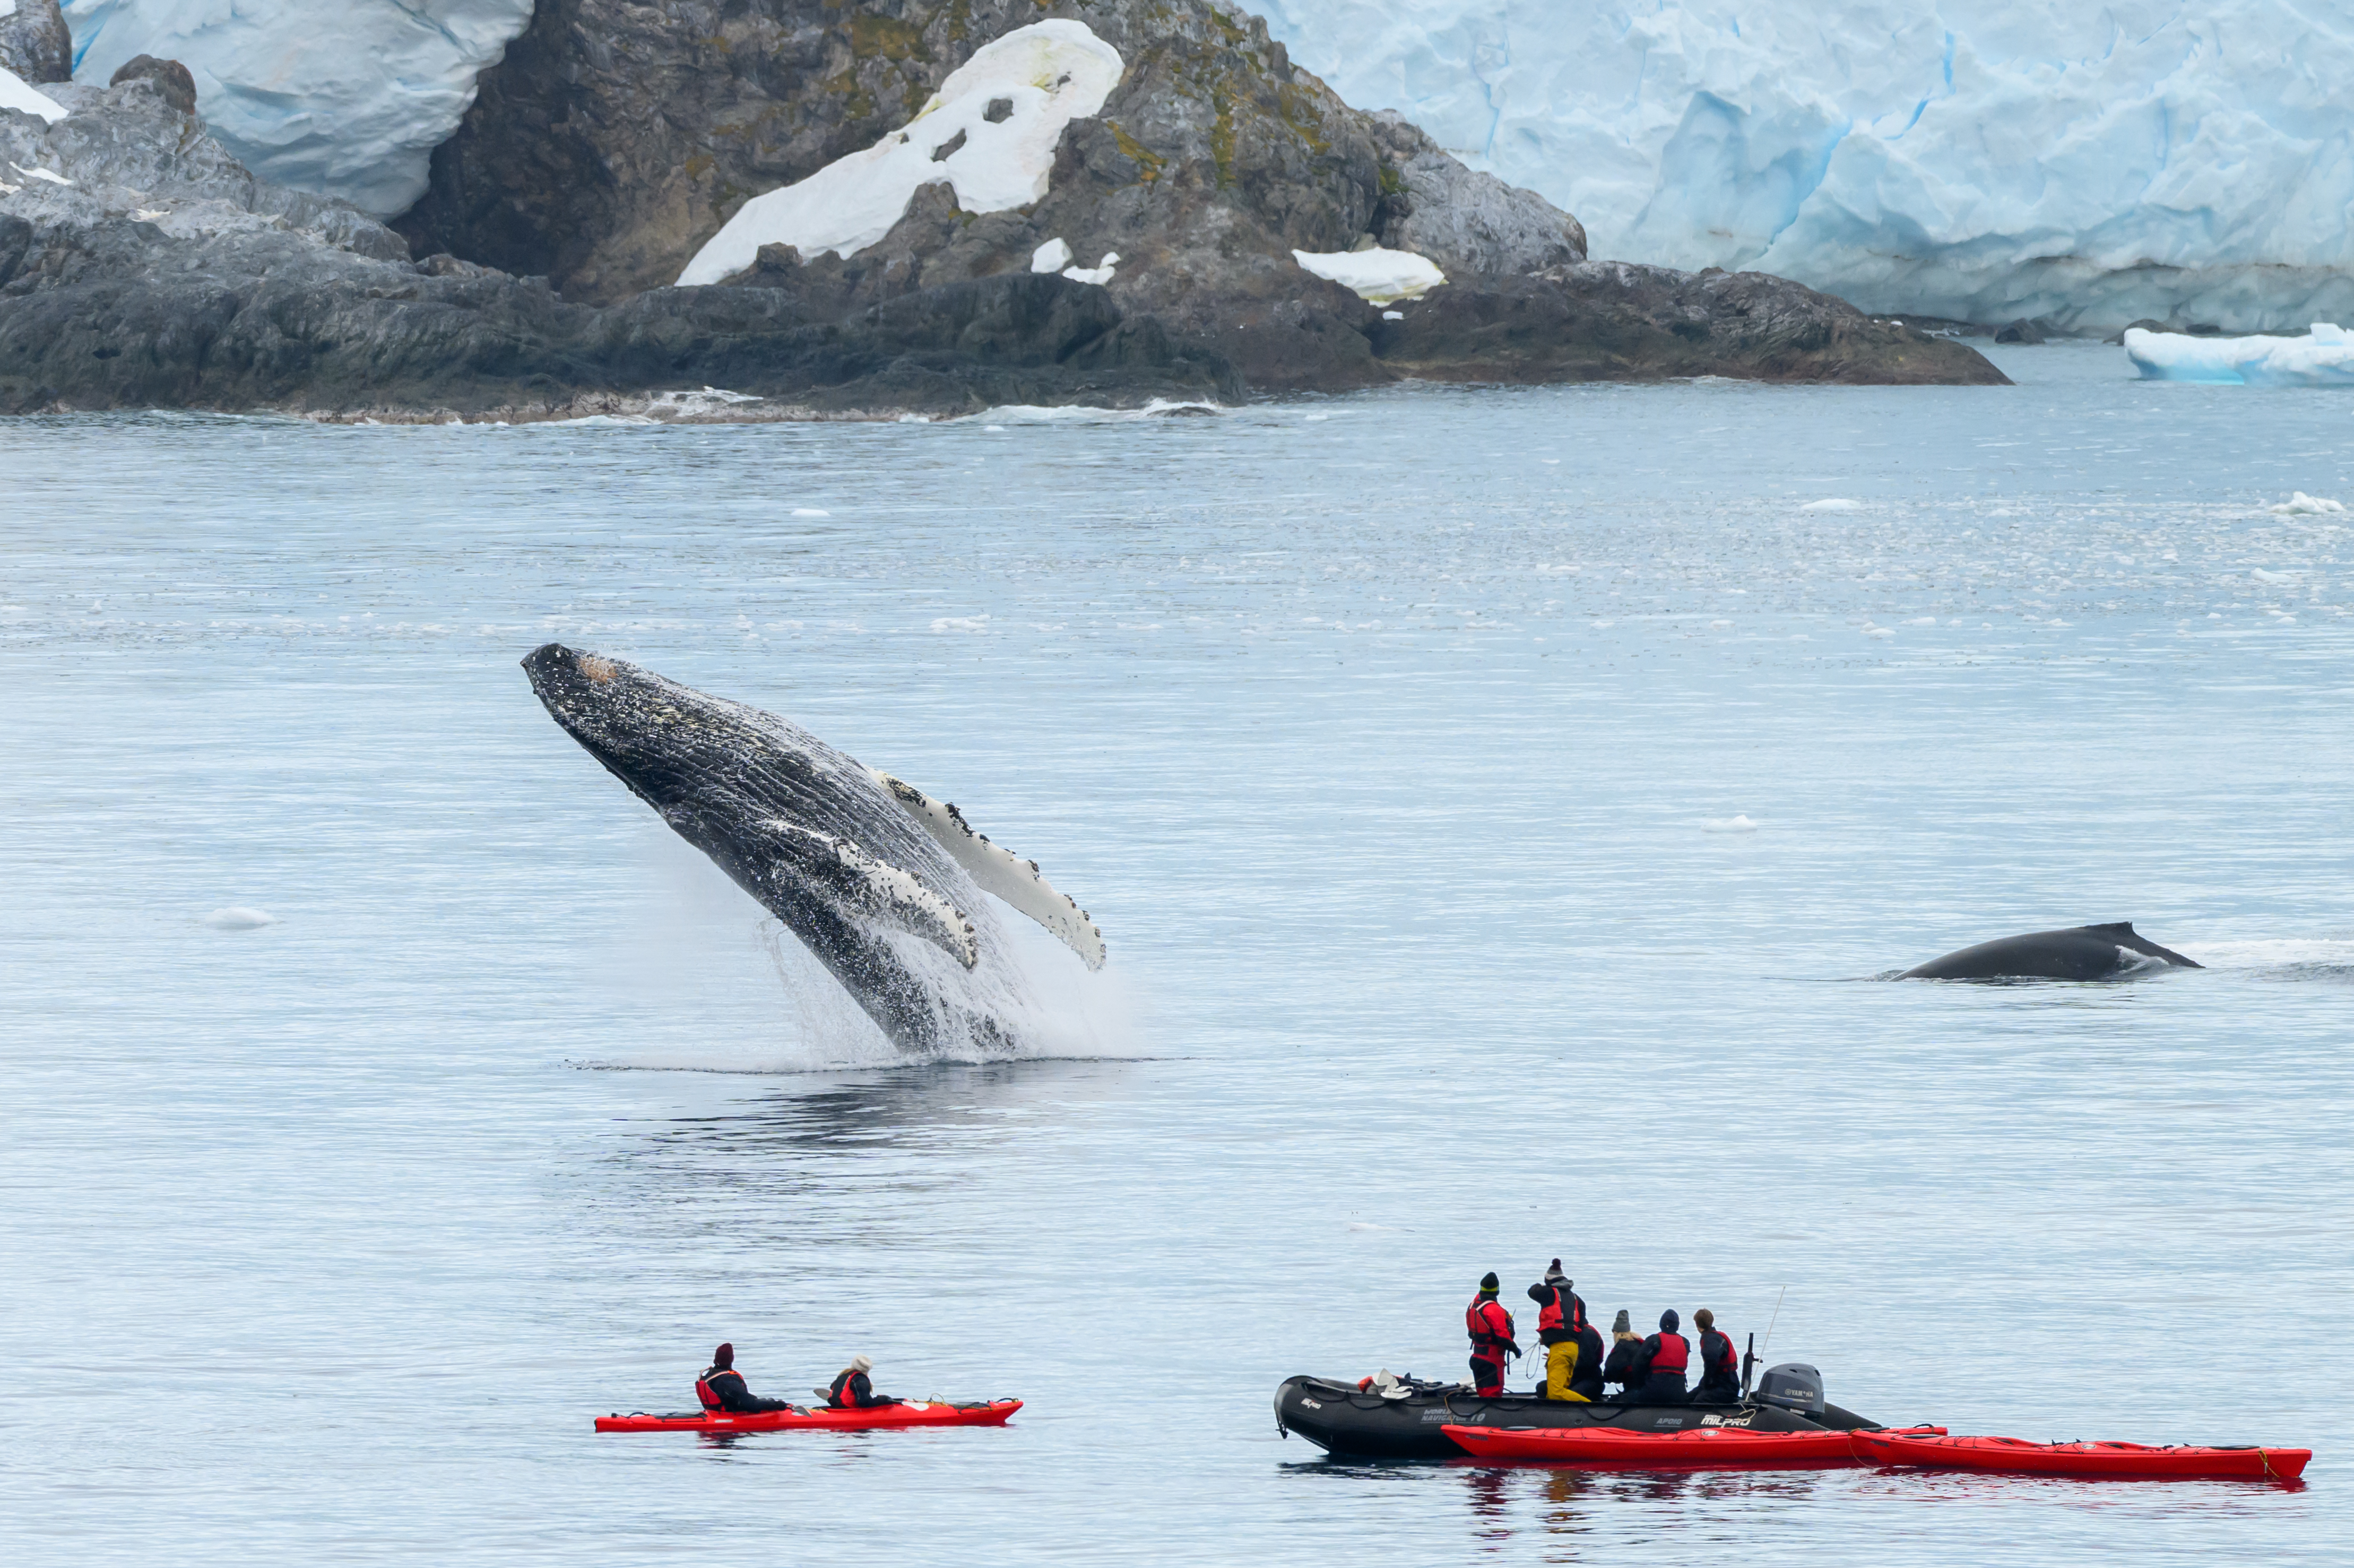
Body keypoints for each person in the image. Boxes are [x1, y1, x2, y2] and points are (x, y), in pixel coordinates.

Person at [1526, 1260, 1589, 1402]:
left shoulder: (1549, 1293)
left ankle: (1593, 1409)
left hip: (1561, 1350)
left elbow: (1532, 1291)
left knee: (1556, 1393)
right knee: (1559, 1391)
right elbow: (1580, 1326)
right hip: (1572, 1349)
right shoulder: (1578, 1300)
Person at [696, 1342, 794, 1414]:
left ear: (716, 1358)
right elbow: (751, 1404)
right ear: (732, 1359)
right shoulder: (726, 1381)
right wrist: (777, 1405)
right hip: (730, 1419)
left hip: (713, 1414)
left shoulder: (710, 1376)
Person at [1465, 1272, 1519, 1397]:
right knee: (1493, 1394)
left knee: (1482, 1393)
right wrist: (1516, 1350)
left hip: (1477, 1357)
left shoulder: (1473, 1307)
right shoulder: (1495, 1310)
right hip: (1492, 1360)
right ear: (1497, 1291)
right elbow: (1503, 1337)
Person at [1629, 1309, 1691, 1404]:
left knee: (1623, 1398)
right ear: (1677, 1326)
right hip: (1679, 1393)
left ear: (1661, 1324)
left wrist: (1640, 1385)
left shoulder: (1654, 1340)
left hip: (1653, 1392)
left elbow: (1638, 1365)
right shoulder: (1685, 1343)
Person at [1692, 1308, 1741, 1404]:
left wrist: (1707, 1383)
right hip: (1726, 1381)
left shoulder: (1710, 1339)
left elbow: (1711, 1360)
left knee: (1699, 1400)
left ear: (1697, 1324)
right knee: (1688, 1398)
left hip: (1727, 1386)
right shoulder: (1715, 1336)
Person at [825, 1354, 901, 1409]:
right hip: (849, 1410)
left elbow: (833, 1387)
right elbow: (864, 1403)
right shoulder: (860, 1380)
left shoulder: (844, 1374)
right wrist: (883, 1400)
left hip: (836, 1406)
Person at [1600, 1309, 1644, 1400]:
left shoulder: (1621, 1346)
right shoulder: (1639, 1343)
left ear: (1616, 1332)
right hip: (1646, 1389)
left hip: (1634, 1392)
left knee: (1611, 1402)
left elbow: (1610, 1372)